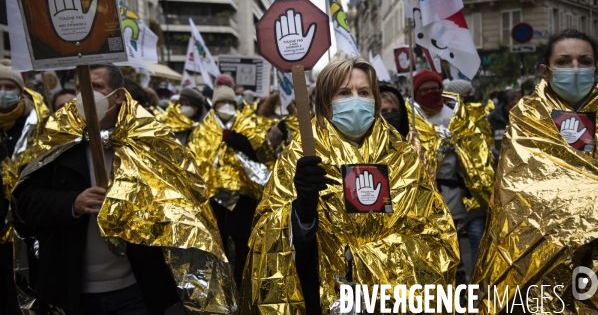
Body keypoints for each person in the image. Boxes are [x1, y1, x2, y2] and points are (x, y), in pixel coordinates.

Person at [11, 64, 237, 314]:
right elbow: (27, 203)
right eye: (78, 88)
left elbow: (180, 205)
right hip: (72, 291)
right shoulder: (57, 140)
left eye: (95, 87)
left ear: (118, 95)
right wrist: (73, 203)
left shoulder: (148, 142)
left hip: (136, 289)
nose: (84, 95)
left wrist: (132, 205)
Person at [240, 57, 459, 314]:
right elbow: (265, 236)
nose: (355, 99)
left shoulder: (401, 155)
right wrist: (301, 213)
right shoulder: (299, 155)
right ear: (325, 101)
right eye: (344, 92)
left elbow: (434, 233)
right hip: (319, 299)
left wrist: (362, 259)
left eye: (363, 92)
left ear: (374, 99)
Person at [472, 30, 598, 313]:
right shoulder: (526, 118)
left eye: (584, 60)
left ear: (596, 68)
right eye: (564, 62)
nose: (575, 69)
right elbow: (517, 189)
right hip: (538, 252)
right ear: (545, 71)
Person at [187, 75, 280, 289]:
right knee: (218, 239)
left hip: (243, 196)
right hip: (214, 196)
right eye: (221, 102)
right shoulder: (204, 128)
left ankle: (242, 280)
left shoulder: (248, 124)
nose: (225, 106)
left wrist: (235, 139)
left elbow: (261, 151)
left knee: (242, 240)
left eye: (229, 102)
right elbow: (196, 157)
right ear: (215, 104)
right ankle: (221, 281)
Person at [409, 70, 494, 280]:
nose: (431, 93)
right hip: (423, 198)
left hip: (454, 193)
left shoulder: (455, 117)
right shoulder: (411, 117)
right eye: (425, 89)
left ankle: (463, 282)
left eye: (435, 88)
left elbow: (475, 152)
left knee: (458, 239)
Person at [0, 62, 49, 315]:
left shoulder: (36, 126)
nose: (3, 92)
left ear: (21, 91)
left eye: (9, 86)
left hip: (26, 227)